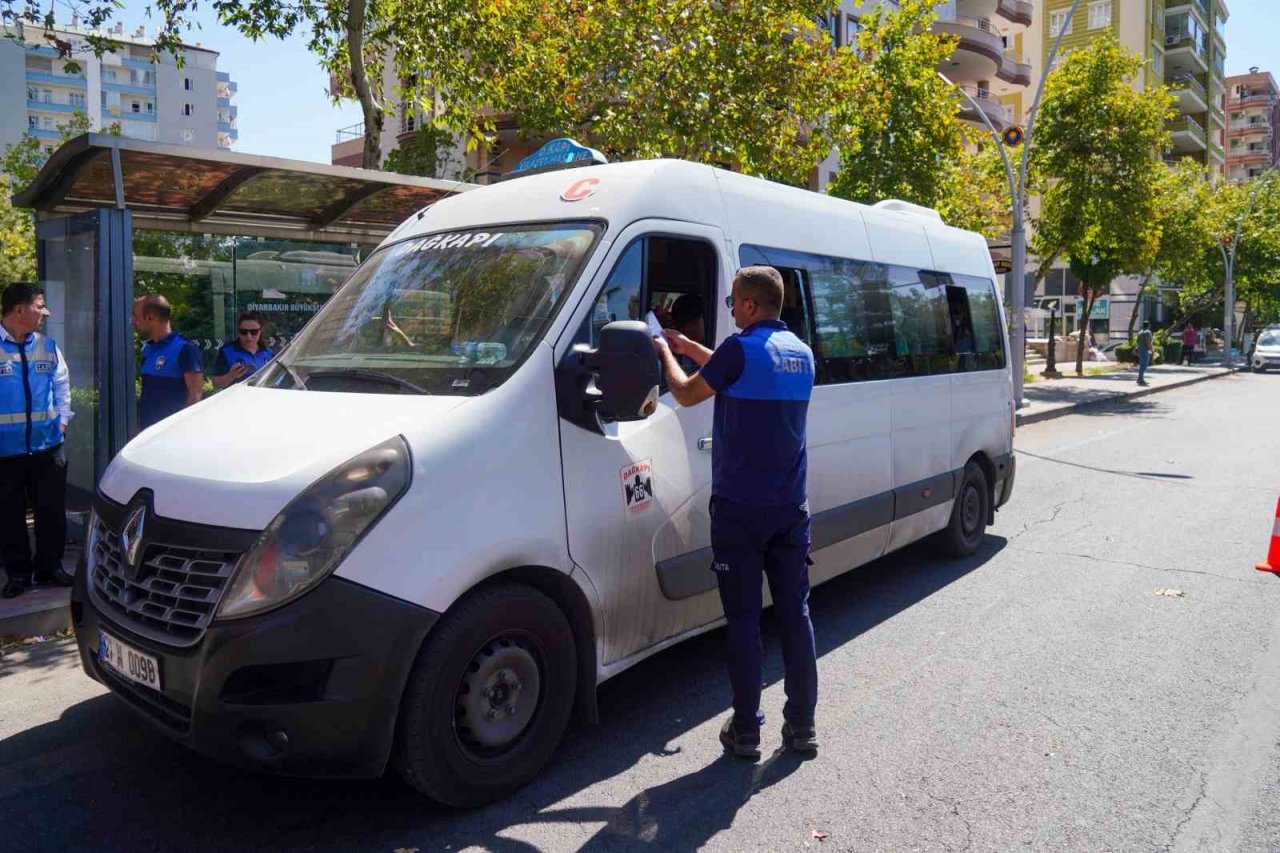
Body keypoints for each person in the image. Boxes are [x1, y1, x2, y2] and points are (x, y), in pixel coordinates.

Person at [653, 265, 819, 759]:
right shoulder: (802, 354)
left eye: (731, 304)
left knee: (745, 620)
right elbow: (737, 373)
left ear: (748, 305)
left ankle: (746, 730)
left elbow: (687, 393)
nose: (730, 312)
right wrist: (690, 346)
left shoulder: (739, 350)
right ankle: (802, 728)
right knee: (796, 616)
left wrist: (665, 351)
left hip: (740, 510)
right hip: (791, 508)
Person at [0, 283, 72, 599]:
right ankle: (18, 574)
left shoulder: (47, 346)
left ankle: (50, 567)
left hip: (48, 448)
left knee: (52, 512)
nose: (46, 312)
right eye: (40, 306)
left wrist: (64, 421)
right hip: (5, 453)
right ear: (19, 310)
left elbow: (62, 386)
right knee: (9, 515)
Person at [132, 294, 202, 430]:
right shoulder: (149, 350)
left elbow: (195, 394)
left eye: (136, 316)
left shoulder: (185, 348)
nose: (132, 321)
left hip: (172, 438)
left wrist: (180, 431)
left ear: (150, 317)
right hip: (149, 436)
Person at [211, 311, 274, 389]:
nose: (248, 336)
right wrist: (231, 376)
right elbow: (215, 384)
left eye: (254, 332)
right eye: (243, 332)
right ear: (238, 331)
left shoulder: (268, 352)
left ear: (261, 330)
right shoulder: (227, 351)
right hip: (237, 399)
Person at [1136, 321, 1154, 386]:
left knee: (1142, 365)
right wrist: (1152, 350)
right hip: (1145, 351)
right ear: (1148, 325)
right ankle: (1140, 379)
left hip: (1140, 350)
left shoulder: (1140, 332)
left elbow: (1137, 342)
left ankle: (1140, 378)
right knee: (1144, 365)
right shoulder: (1147, 332)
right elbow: (1149, 342)